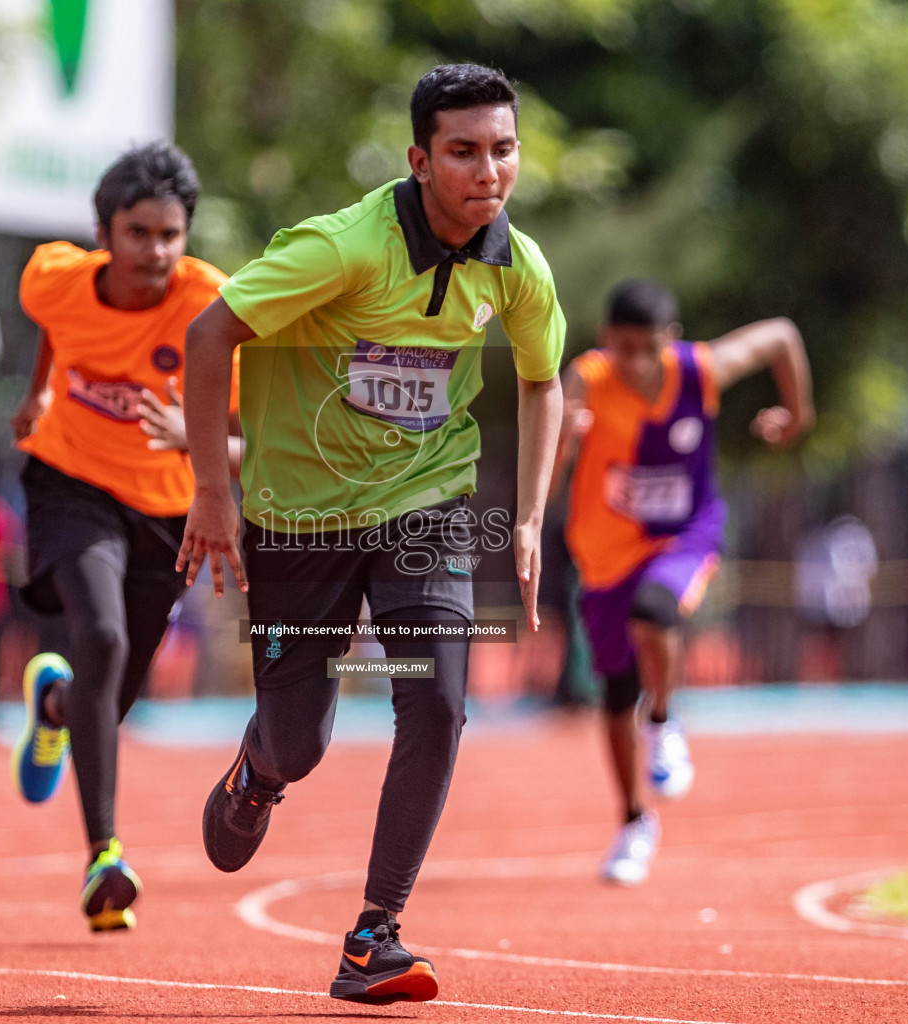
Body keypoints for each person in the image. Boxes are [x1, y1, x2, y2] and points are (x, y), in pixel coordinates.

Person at [177, 64, 564, 1005]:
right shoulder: (342, 248)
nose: (488, 171)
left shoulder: (517, 267)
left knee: (437, 698)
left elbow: (545, 380)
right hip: (299, 515)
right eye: (464, 151)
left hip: (425, 502)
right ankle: (257, 773)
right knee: (299, 741)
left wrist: (529, 514)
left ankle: (374, 935)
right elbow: (206, 336)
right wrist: (211, 497)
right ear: (420, 160)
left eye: (503, 149)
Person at [7, 142, 238, 932]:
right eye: (138, 233)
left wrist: (194, 434)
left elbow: (264, 431)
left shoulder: (212, 301)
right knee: (98, 636)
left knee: (115, 692)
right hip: (70, 482)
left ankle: (58, 702)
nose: (156, 252)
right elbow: (51, 320)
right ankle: (103, 855)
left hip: (166, 511)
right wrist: (40, 394)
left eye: (171, 234)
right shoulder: (54, 276)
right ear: (105, 230)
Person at [554, 279, 813, 886]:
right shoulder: (586, 380)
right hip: (603, 552)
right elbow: (553, 451)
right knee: (615, 696)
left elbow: (781, 335)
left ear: (670, 341)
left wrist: (797, 416)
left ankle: (665, 721)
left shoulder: (700, 371)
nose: (638, 363)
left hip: (683, 536)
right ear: (607, 341)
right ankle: (633, 822)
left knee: (655, 611)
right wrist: (559, 453)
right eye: (625, 349)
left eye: (650, 349)